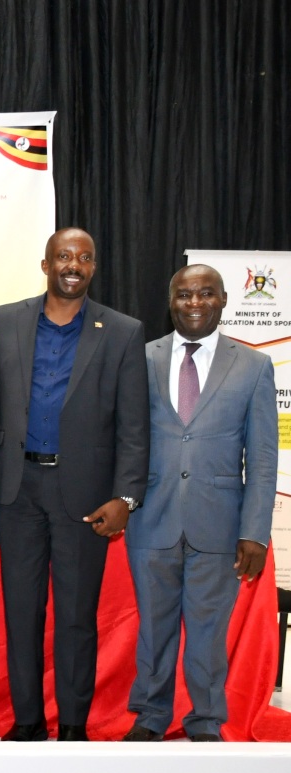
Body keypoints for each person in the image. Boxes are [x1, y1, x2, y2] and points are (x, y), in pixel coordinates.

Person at [0, 228, 148, 742]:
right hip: (16, 490)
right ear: (45, 264)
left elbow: (134, 425)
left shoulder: (122, 331)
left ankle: (74, 725)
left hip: (84, 496)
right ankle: (28, 721)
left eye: (83, 258)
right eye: (63, 256)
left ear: (94, 268)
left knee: (77, 617)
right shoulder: (6, 320)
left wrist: (125, 497)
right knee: (21, 613)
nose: (73, 265)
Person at [123, 265, 276, 743]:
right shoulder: (140, 358)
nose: (194, 302)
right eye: (184, 294)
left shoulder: (252, 366)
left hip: (220, 523)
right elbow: (124, 439)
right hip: (151, 518)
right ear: (170, 301)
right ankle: (149, 716)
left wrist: (254, 530)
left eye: (205, 294)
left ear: (224, 299)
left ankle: (206, 721)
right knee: (153, 628)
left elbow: (264, 456)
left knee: (209, 633)